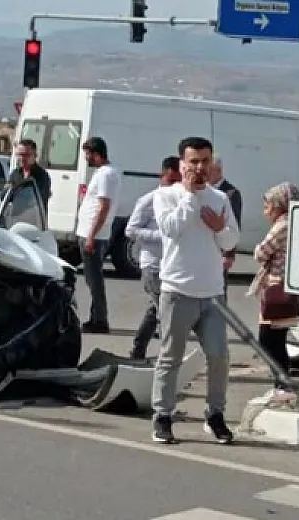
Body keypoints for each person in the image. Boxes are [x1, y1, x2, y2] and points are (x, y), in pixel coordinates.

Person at [150, 136, 240, 444]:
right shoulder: (166, 196)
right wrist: (189, 196)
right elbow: (172, 229)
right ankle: (162, 416)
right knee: (170, 357)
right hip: (178, 290)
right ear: (182, 164)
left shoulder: (220, 199)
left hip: (212, 293)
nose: (200, 167)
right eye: (194, 162)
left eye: (205, 161)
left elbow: (230, 243)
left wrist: (219, 228)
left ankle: (215, 415)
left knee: (219, 356)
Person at [251, 182, 299, 398]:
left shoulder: (283, 226)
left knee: (269, 339)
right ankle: (281, 382)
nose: (265, 212)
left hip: (278, 289)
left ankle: (283, 383)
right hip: (280, 288)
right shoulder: (293, 223)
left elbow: (261, 253)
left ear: (278, 205)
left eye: (267, 207)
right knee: (274, 339)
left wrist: (260, 249)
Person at [126, 155, 181, 360]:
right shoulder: (150, 199)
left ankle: (138, 350)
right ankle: (167, 357)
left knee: (155, 310)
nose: (173, 185)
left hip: (173, 265)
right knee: (167, 313)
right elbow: (131, 230)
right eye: (170, 180)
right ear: (162, 176)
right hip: (153, 265)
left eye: (178, 181)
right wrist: (162, 235)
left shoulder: (181, 201)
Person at [76, 136, 120, 334]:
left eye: (88, 154)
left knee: (94, 279)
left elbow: (103, 207)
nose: (86, 158)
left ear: (96, 154)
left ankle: (100, 320)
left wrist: (91, 236)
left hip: (94, 234)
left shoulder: (106, 175)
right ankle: (96, 317)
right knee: (91, 278)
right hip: (91, 232)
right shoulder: (104, 173)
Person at [209, 158, 243, 297]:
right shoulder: (207, 190)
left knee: (219, 291)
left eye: (208, 171)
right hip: (208, 248)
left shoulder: (231, 193)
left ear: (218, 171)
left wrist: (229, 254)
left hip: (221, 250)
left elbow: (234, 224)